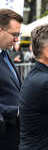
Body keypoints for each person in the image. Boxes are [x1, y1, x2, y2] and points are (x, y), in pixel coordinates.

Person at [0, 8, 23, 150]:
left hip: (14, 134)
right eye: (14, 34)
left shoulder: (5, 53)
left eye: (18, 34)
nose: (16, 39)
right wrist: (15, 111)